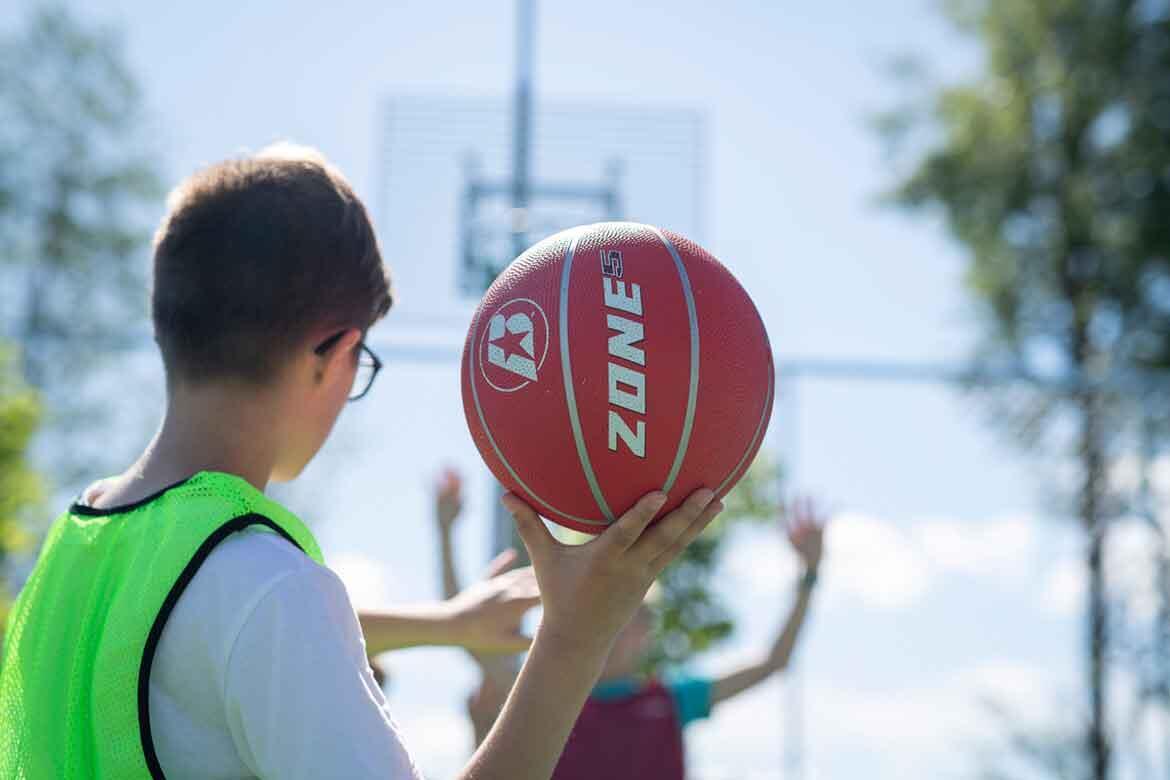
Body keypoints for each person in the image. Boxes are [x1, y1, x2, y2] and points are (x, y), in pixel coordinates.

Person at [0, 144, 724, 780]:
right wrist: (573, 639)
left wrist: (444, 624)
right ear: (333, 354)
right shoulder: (267, 587)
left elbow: (214, 638)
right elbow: (261, 622)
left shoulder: (75, 547)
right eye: (361, 364)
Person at [438, 469, 825, 780]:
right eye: (604, 611)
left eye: (629, 617)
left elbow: (773, 661)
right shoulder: (543, 687)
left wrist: (809, 575)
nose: (616, 628)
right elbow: (465, 630)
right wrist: (445, 532)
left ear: (647, 630)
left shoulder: (673, 699)